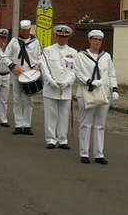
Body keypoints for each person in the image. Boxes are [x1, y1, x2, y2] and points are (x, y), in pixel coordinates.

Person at [74, 29, 118, 164]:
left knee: (100, 125)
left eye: (99, 39)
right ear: (90, 40)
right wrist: (89, 81)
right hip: (87, 92)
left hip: (104, 94)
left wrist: (114, 88)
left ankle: (99, 153)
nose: (97, 42)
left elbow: (111, 74)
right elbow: (77, 73)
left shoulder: (106, 56)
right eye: (95, 39)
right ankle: (84, 152)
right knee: (86, 124)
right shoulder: (80, 56)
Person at [40, 25, 76, 150]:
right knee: (51, 114)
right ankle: (50, 138)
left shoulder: (73, 52)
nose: (62, 39)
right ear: (56, 36)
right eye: (60, 36)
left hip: (66, 89)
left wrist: (68, 82)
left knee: (64, 115)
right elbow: (44, 68)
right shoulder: (48, 51)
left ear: (68, 38)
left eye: (65, 37)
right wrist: (50, 81)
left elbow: (75, 71)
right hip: (51, 88)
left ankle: (62, 139)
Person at [5, 19, 42, 135]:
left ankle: (27, 125)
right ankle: (18, 124)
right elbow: (5, 56)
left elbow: (40, 55)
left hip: (30, 74)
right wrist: (12, 66)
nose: (25, 33)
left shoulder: (35, 41)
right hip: (17, 73)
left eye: (27, 31)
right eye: (23, 31)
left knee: (29, 100)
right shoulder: (14, 41)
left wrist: (39, 64)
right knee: (16, 100)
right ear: (20, 30)